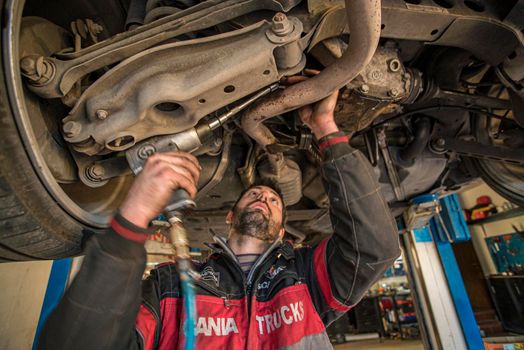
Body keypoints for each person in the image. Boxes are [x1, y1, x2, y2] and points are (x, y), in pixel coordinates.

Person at [38, 91, 400, 349]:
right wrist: (134, 214)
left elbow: (373, 248)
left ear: (282, 228)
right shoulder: (172, 287)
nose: (263, 197)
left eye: (274, 200)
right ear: (230, 215)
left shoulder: (305, 276)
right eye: (255, 194)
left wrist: (326, 128)